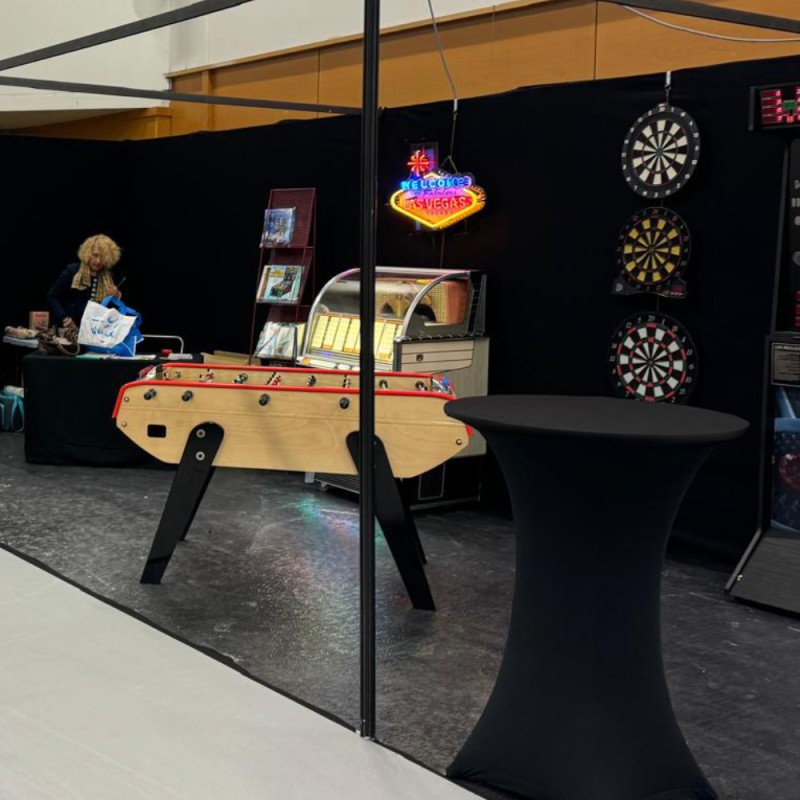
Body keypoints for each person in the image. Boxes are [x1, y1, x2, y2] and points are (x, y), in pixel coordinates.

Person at [47, 234, 123, 331]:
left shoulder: (110, 277)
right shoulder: (72, 271)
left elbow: (112, 311)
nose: (98, 261)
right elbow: (51, 296)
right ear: (87, 253)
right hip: (68, 330)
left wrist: (117, 296)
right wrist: (64, 318)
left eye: (103, 257)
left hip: (94, 332)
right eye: (95, 255)